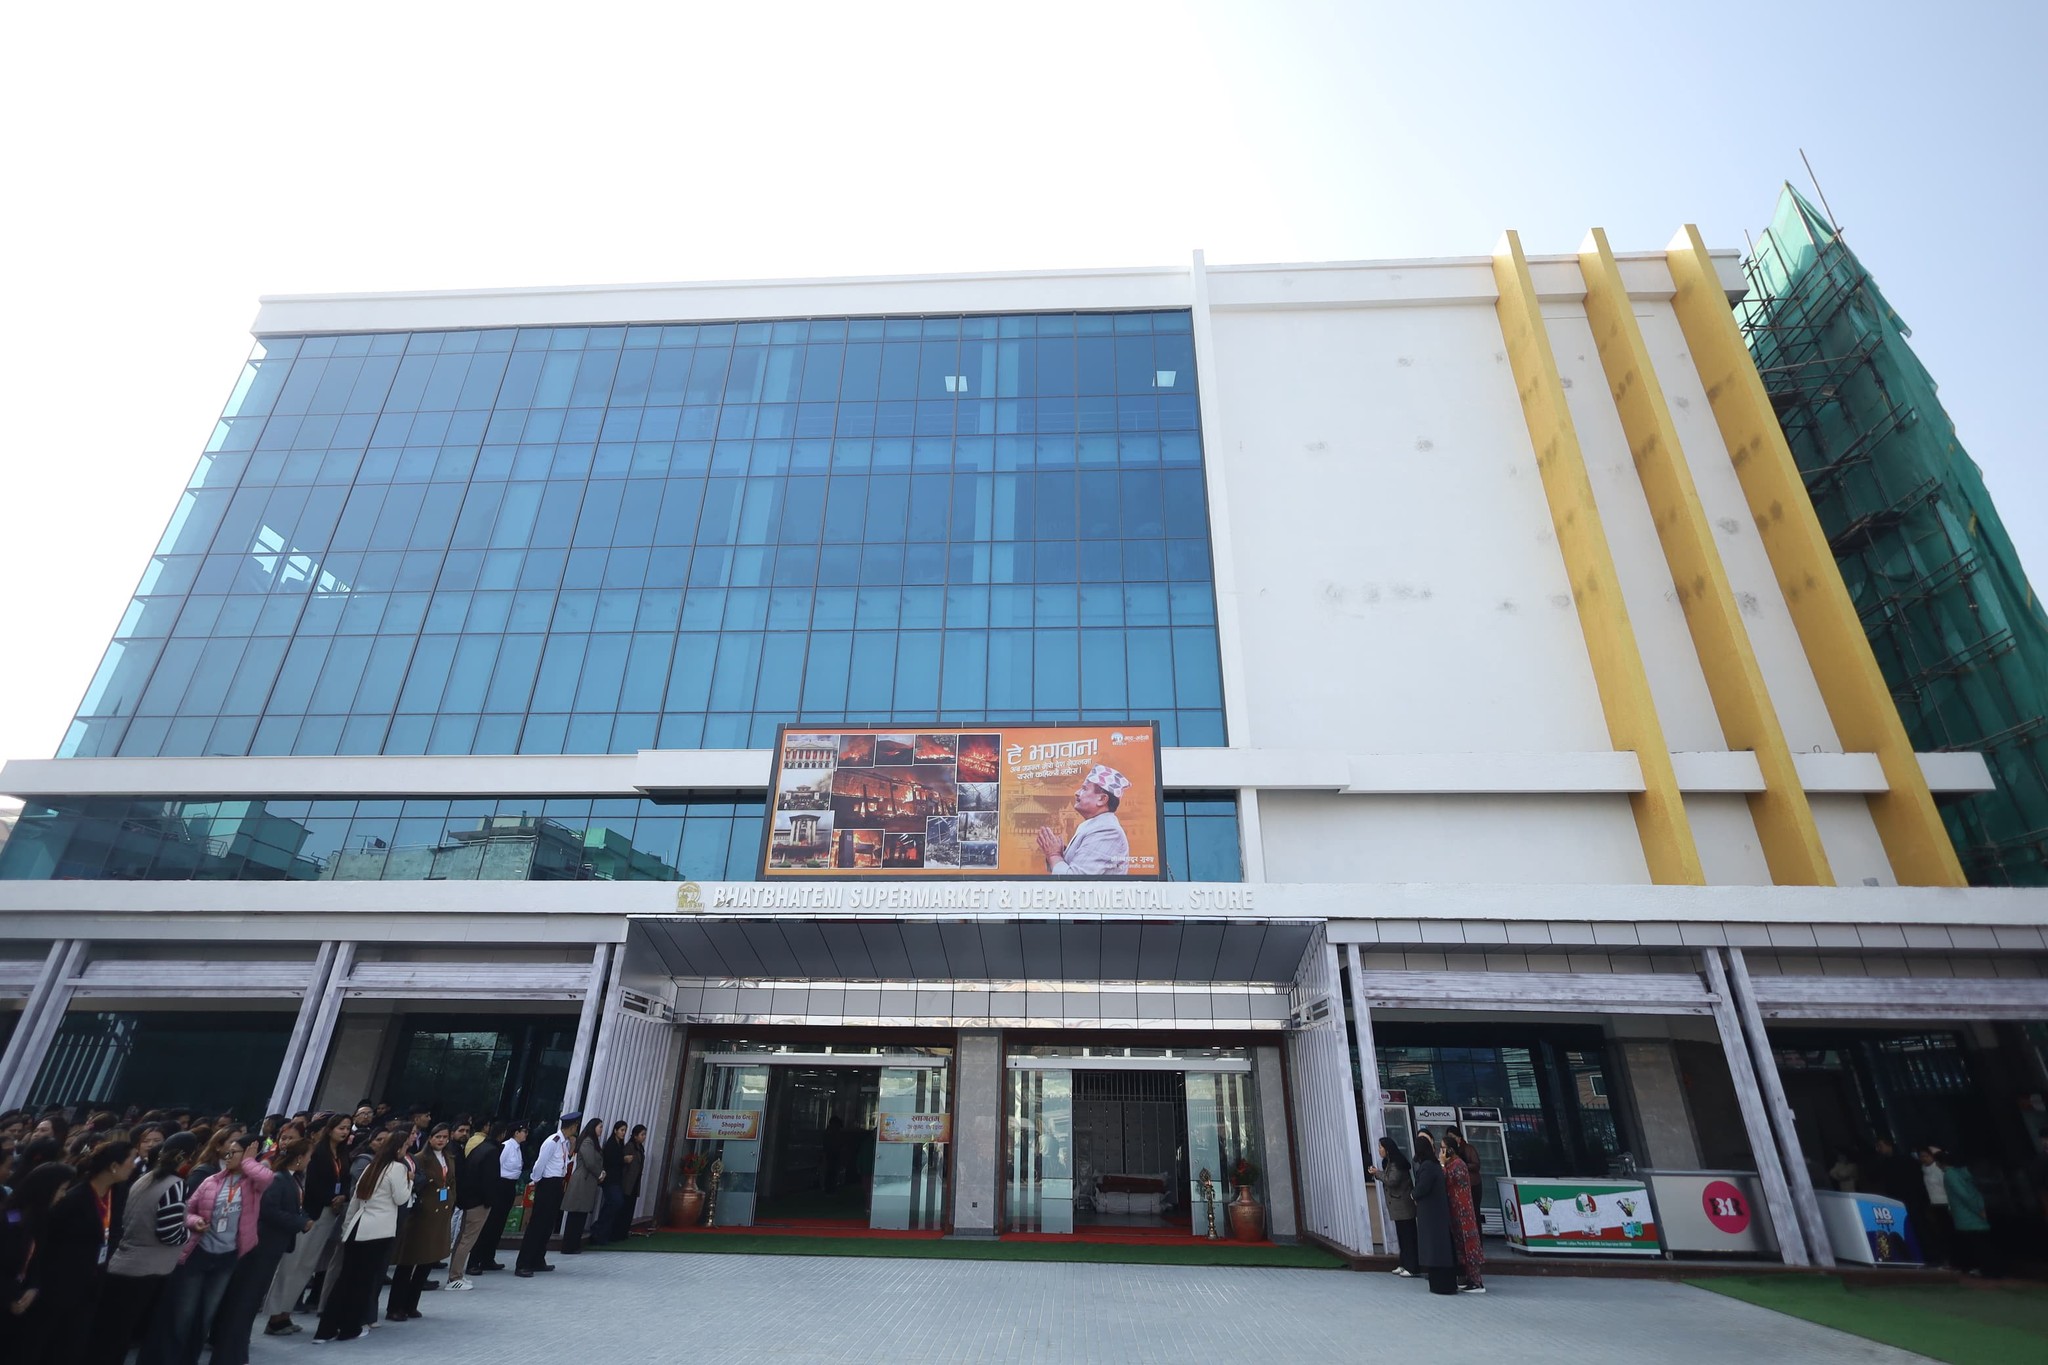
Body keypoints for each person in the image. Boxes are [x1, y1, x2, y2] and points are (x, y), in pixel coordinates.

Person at [143, 1129, 274, 1365]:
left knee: (206, 1314)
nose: (228, 1157)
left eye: (234, 1153)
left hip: (227, 1257)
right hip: (199, 1253)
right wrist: (195, 1221)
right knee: (184, 1314)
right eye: (228, 1152)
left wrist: (248, 1162)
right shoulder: (211, 1181)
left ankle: (189, 1359)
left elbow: (266, 1178)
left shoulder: (252, 1184)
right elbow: (187, 1210)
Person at [90, 1131, 199, 1365]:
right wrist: (190, 1232)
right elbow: (169, 1232)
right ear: (188, 1157)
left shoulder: (145, 1178)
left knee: (109, 1332)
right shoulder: (176, 1185)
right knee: (119, 1336)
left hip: (124, 1260)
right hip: (147, 1268)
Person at [210, 1139, 311, 1365]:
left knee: (249, 1302)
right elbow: (268, 1210)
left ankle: (235, 1351)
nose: (309, 1160)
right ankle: (229, 1353)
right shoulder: (278, 1178)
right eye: (308, 1156)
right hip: (261, 1247)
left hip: (272, 1247)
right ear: (299, 1158)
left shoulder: (291, 1179)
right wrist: (299, 1222)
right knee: (244, 1301)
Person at [314, 1129, 411, 1343]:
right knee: (363, 1281)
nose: (406, 1150)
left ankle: (325, 1330)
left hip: (357, 1226)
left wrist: (346, 1228)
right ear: (398, 1148)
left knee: (345, 1279)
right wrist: (410, 1181)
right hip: (379, 1229)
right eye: (405, 1146)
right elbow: (401, 1198)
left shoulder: (372, 1166)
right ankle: (350, 1327)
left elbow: (355, 1201)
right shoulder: (397, 1168)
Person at [263, 1112, 351, 1336]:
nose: (344, 1132)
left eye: (347, 1128)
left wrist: (342, 1196)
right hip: (309, 1213)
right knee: (290, 1265)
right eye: (341, 1127)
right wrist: (329, 1198)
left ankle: (286, 1313)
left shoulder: (343, 1154)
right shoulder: (317, 1152)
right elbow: (309, 1184)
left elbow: (345, 1180)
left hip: (329, 1213)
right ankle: (274, 1315)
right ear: (329, 1129)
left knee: (306, 1266)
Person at [1, 1162, 76, 1361]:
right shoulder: (10, 1218)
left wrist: (33, 1287)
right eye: (61, 1189)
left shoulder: (41, 1219)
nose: (63, 1195)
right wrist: (10, 1296)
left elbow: (35, 1260)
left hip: (19, 1301)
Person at [388, 1124, 457, 1321]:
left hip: (441, 1212)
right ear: (430, 1138)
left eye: (444, 1137)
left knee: (427, 1261)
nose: (441, 1140)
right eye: (438, 1136)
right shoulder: (420, 1158)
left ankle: (411, 1304)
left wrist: (451, 1200)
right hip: (421, 1214)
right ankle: (395, 1306)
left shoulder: (449, 1158)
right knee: (408, 1261)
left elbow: (451, 1182)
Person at [1034, 765, 1132, 875]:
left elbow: (1076, 880)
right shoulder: (1092, 825)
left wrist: (1054, 855)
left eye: (1084, 789)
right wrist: (1059, 853)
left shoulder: (1108, 831)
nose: (1076, 792)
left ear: (1102, 799)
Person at [516, 1112, 577, 1277]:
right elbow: (540, 1163)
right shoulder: (552, 1141)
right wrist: (535, 1180)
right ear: (572, 1126)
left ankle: (538, 1259)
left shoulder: (564, 1143)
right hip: (547, 1184)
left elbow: (563, 1163)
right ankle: (523, 1263)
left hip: (557, 1183)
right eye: (575, 1126)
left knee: (548, 1224)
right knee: (537, 1224)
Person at [446, 1123, 503, 1289]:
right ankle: (455, 1277)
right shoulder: (490, 1151)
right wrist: (489, 1201)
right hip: (478, 1202)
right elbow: (489, 1180)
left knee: (463, 1238)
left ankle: (456, 1274)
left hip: (470, 1199)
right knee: (466, 1239)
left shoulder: (479, 1148)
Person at [474, 1120, 528, 1274]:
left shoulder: (517, 1148)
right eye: (524, 1131)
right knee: (490, 1224)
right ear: (516, 1133)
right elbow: (497, 1166)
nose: (526, 1134)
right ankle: (476, 1259)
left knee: (499, 1224)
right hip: (500, 1185)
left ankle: (488, 1258)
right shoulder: (507, 1146)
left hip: (509, 1186)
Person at [1411, 1132, 1458, 1296]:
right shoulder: (1433, 1165)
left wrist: (1413, 1195)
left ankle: (1441, 1284)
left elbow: (1422, 1187)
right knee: (1437, 1247)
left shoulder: (1428, 1167)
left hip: (1432, 1214)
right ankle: (1441, 1283)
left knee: (1435, 1248)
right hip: (1435, 1213)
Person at [1442, 1131, 1486, 1294]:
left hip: (1463, 1211)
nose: (1441, 1152)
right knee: (1460, 1245)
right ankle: (1467, 1277)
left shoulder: (1458, 1165)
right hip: (1455, 1210)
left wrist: (1442, 1165)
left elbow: (1445, 1180)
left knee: (1469, 1244)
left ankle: (1476, 1281)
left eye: (1443, 1148)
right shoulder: (1451, 1165)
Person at [1368, 1137, 1417, 1276]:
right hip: (1398, 1206)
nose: (1379, 1150)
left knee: (1408, 1238)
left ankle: (1412, 1267)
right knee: (1402, 1237)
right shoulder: (1390, 1162)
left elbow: (1392, 1181)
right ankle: (1404, 1264)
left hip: (1403, 1205)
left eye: (1381, 1147)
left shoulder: (1396, 1163)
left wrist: (1377, 1173)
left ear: (1387, 1149)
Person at [1941, 1151, 1994, 1276]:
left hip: (1968, 1215)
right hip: (1975, 1213)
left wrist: (1979, 1210)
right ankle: (1989, 1269)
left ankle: (1988, 1270)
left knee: (1979, 1244)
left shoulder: (1951, 1175)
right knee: (1982, 1244)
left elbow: (1964, 1195)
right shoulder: (1966, 1174)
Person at [562, 1117, 605, 1254]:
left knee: (580, 1215)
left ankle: (574, 1244)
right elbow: (590, 1162)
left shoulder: (592, 1142)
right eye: (600, 1127)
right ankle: (569, 1245)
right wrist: (599, 1173)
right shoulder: (587, 1142)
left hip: (587, 1181)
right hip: (582, 1181)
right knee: (576, 1214)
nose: (601, 1130)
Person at [593, 1120, 630, 1244]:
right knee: (614, 1202)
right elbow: (610, 1160)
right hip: (610, 1179)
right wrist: (623, 1160)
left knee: (613, 1204)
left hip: (616, 1179)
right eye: (622, 1130)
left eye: (625, 1131)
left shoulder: (620, 1144)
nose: (623, 1133)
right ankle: (599, 1230)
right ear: (615, 1130)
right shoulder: (611, 1144)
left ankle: (602, 1231)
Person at [1918, 1145, 1953, 1267]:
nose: (1923, 1159)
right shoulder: (1923, 1170)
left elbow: (1947, 1187)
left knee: (1949, 1232)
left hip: (1945, 1203)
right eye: (1921, 1156)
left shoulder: (1939, 1169)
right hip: (1934, 1205)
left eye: (1926, 1156)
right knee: (1940, 1233)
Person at [622, 1123, 648, 1235]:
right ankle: (620, 1231)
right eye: (642, 1134)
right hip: (628, 1181)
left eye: (645, 1134)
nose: (644, 1137)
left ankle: (625, 1230)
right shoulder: (630, 1147)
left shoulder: (640, 1148)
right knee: (624, 1207)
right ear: (635, 1136)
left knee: (630, 1207)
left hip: (635, 1182)